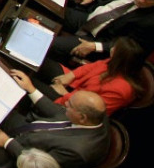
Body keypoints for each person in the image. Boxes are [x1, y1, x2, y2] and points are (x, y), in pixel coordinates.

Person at [0, 90, 108, 168]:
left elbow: (38, 167)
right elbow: (59, 112)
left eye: (70, 104)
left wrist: (7, 142)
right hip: (28, 129)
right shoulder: (97, 115)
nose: (66, 103)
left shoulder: (77, 152)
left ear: (82, 118)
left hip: (20, 155)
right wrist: (31, 89)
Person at [42, 0, 154, 76]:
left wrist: (96, 46)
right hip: (89, 18)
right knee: (45, 7)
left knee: (50, 44)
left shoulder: (150, 22)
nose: (142, 0)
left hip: (98, 41)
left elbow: (129, 47)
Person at [13, 36, 143, 116]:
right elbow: (91, 67)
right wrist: (71, 75)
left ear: (121, 59)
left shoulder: (121, 90)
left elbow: (89, 107)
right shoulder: (113, 62)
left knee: (26, 80)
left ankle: (20, 111)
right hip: (74, 85)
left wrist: (66, 95)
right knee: (37, 59)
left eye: (116, 49)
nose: (112, 49)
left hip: (71, 106)